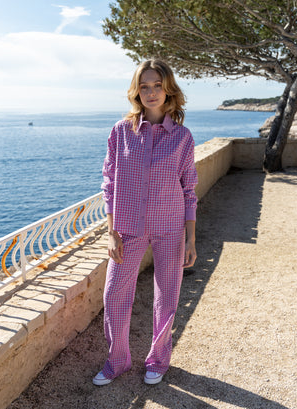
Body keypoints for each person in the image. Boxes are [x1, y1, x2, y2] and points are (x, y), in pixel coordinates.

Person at [93, 59, 198, 386]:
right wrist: (111, 233)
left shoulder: (182, 137)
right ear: (136, 91)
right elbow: (109, 183)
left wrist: (191, 239)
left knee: (167, 297)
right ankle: (117, 361)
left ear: (168, 90)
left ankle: (158, 359)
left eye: (157, 85)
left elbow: (189, 189)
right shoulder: (121, 132)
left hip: (170, 228)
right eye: (144, 86)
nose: (151, 92)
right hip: (127, 230)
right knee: (113, 295)